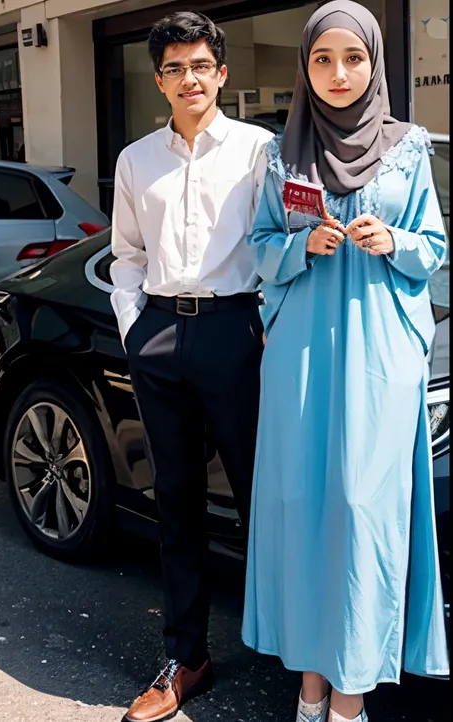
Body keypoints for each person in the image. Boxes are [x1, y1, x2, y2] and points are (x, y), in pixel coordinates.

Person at [242, 2, 449, 721]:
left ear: (374, 63)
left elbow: (435, 247)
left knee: (363, 513)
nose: (337, 73)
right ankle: (308, 688)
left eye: (352, 58)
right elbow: (260, 247)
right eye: (322, 58)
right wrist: (303, 247)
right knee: (302, 510)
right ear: (304, 65)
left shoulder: (410, 147)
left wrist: (395, 242)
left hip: (379, 357)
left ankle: (349, 696)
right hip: (301, 356)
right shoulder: (279, 154)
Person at [110, 11, 273, 722]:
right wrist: (133, 329)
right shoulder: (135, 160)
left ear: (222, 73)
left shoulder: (261, 150)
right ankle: (187, 657)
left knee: (265, 497)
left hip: (238, 334)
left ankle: (299, 654)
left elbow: (280, 245)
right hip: (161, 338)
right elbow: (126, 256)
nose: (189, 78)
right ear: (160, 80)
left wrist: (266, 328)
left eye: (200, 65)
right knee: (175, 502)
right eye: (174, 68)